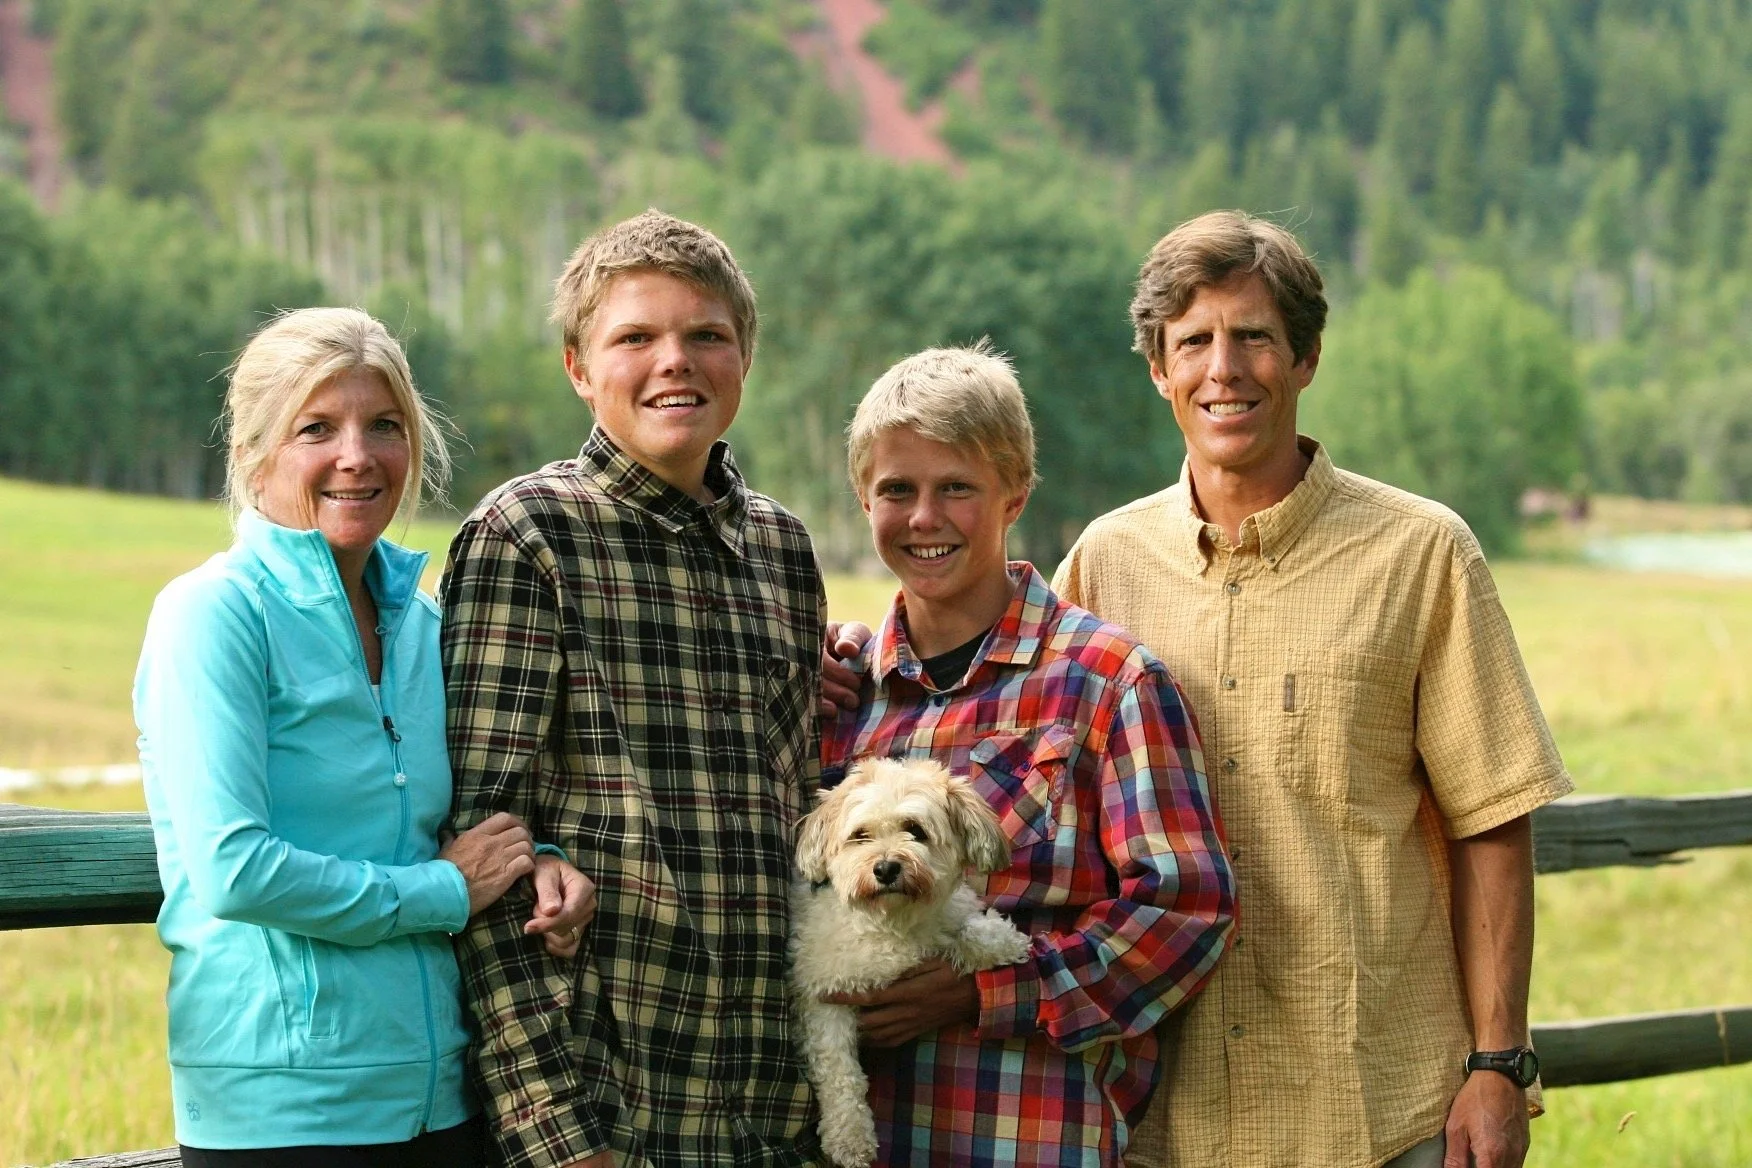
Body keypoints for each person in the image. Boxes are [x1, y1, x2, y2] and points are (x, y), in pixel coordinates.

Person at [825, 212, 1574, 1168]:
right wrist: (841, 660)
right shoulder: (1107, 558)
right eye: (1194, 343)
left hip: (1375, 1097)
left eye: (1254, 336)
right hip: (1168, 1118)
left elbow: (1493, 820)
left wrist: (1497, 1063)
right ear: (1159, 371)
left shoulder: (1421, 554)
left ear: (1304, 359)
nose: (1225, 369)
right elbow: (988, 674)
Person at [135, 307, 597, 1167]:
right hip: (283, 1109)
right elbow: (234, 870)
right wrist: (444, 893)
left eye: (384, 426)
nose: (358, 455)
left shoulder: (423, 623)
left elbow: (448, 822)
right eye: (318, 428)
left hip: (440, 1097)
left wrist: (539, 859)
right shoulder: (213, 615)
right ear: (253, 453)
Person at [441, 211, 826, 1168]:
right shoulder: (530, 535)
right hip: (612, 1104)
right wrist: (562, 1139)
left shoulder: (780, 548)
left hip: (772, 1106)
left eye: (706, 335)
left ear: (745, 355)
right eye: (635, 338)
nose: (675, 363)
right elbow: (486, 849)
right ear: (579, 366)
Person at [818, 344, 1236, 1167]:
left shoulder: (1106, 681)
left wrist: (981, 991)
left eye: (957, 488)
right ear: (864, 497)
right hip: (865, 1140)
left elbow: (1183, 912)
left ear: (1015, 493)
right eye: (897, 490)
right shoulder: (842, 696)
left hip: (1032, 1132)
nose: (924, 518)